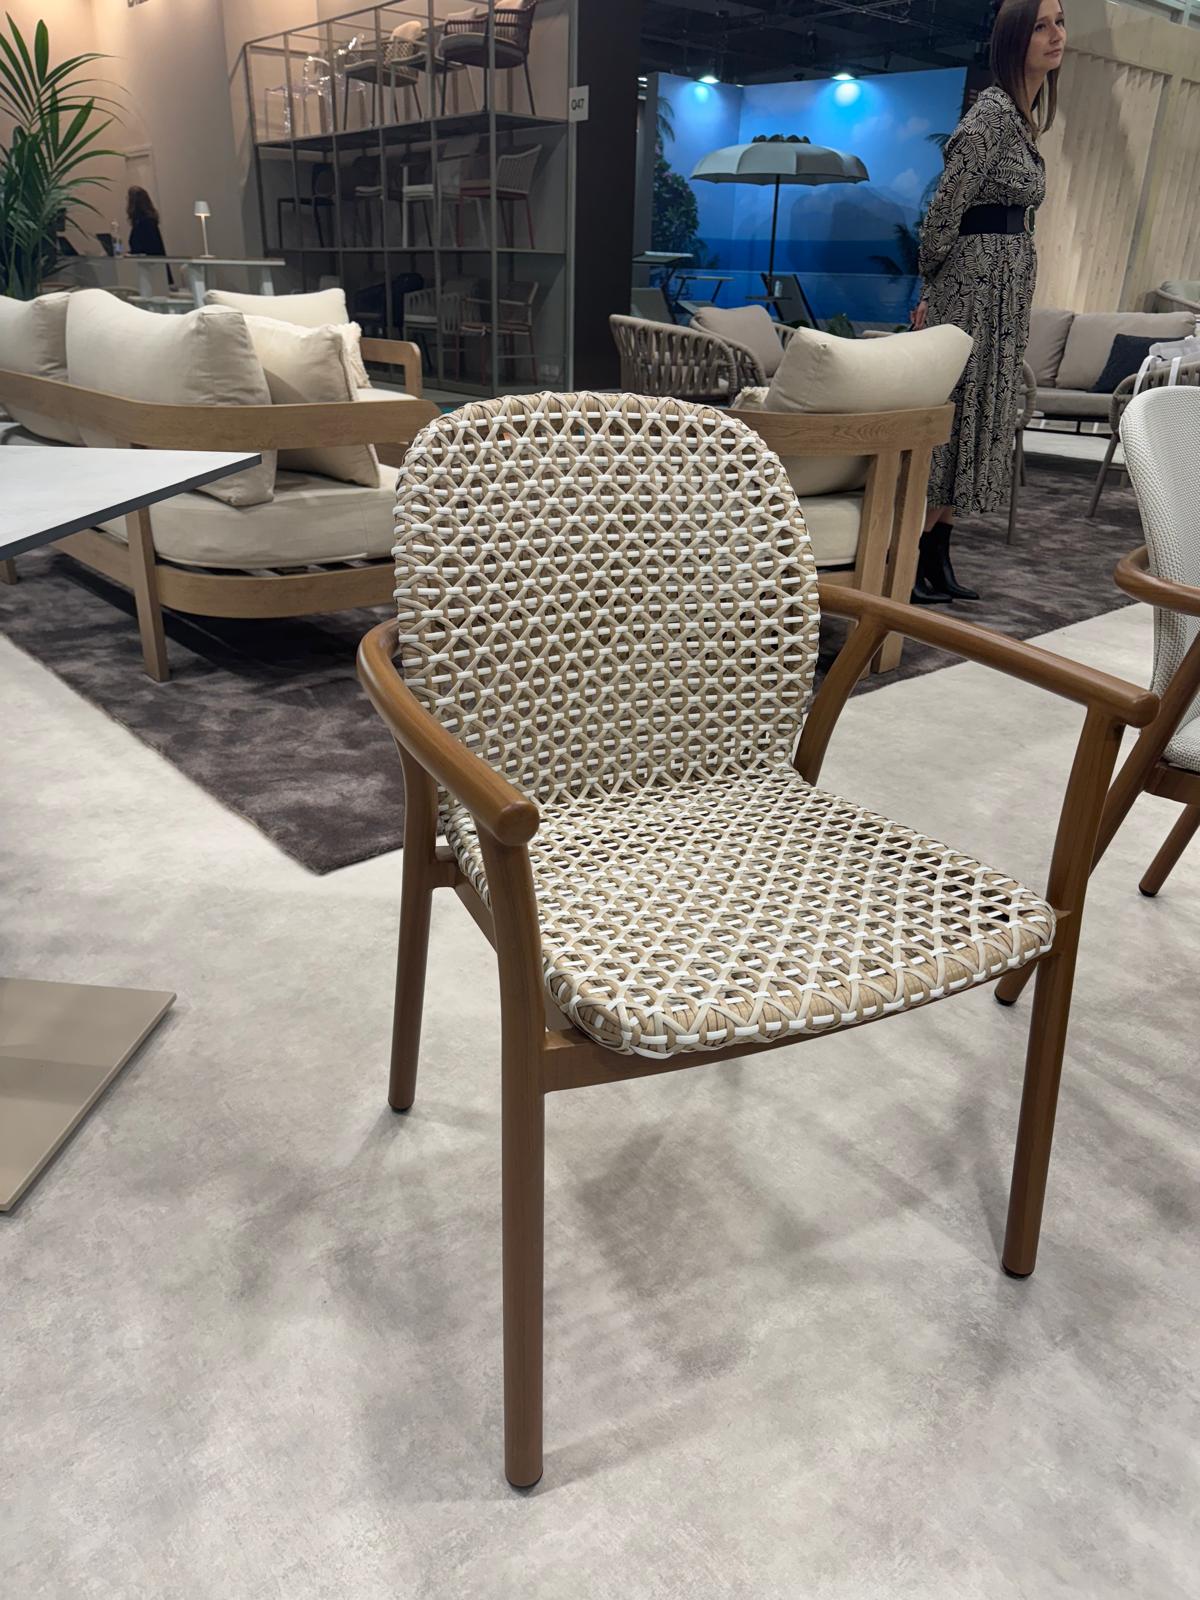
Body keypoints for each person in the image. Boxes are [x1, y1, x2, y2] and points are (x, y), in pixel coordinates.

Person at [909, 0, 1065, 603]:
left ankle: (937, 554)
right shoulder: (992, 114)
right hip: (971, 287)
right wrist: (931, 288)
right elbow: (944, 208)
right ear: (1014, 39)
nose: (1055, 35)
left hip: (1003, 288)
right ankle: (909, 554)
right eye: (1041, 26)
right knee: (956, 417)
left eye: (1060, 22)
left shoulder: (1022, 121)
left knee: (982, 416)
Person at [126, 186, 174, 286]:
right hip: (154, 268)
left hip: (152, 270)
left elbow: (145, 247)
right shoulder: (147, 221)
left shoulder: (145, 223)